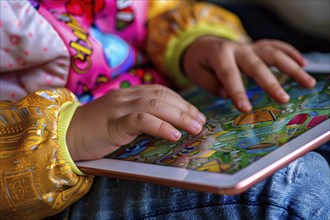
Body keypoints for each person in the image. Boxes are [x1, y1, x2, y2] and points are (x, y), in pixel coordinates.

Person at [0, 0, 329, 219]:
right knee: (291, 188)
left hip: (176, 106)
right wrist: (69, 134)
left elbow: (157, 9)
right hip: (61, 180)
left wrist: (195, 43)